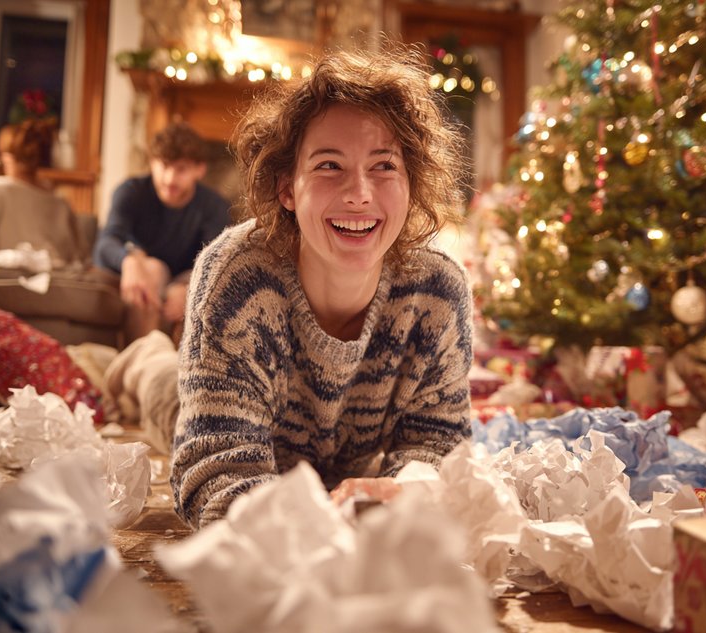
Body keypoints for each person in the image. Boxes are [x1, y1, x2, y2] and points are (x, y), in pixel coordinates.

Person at [106, 45, 473, 529]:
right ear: (286, 188)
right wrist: (317, 529)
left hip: (335, 465)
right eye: (328, 166)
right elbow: (214, 474)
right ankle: (142, 357)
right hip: (212, 408)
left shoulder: (438, 294)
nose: (360, 193)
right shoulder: (236, 277)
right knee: (161, 387)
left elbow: (438, 447)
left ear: (412, 181)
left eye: (384, 166)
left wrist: (403, 493)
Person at [93, 122, 232, 343]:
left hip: (185, 276)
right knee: (152, 269)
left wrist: (188, 288)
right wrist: (129, 261)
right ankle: (145, 365)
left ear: (200, 169)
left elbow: (217, 260)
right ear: (152, 162)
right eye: (164, 166)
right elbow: (106, 241)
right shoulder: (131, 191)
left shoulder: (214, 206)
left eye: (181, 169)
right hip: (144, 271)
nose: (169, 179)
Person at [0, 119, 88, 266]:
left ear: (7, 156)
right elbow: (81, 258)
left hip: (0, 285)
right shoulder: (60, 203)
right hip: (61, 286)